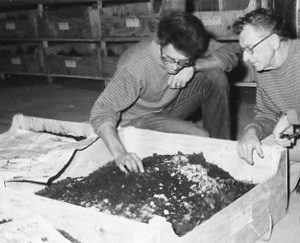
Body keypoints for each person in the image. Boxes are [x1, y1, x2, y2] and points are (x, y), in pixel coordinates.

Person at [90, 11, 239, 174]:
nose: (175, 67)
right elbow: (102, 111)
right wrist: (120, 153)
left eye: (182, 61)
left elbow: (231, 54)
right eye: (169, 59)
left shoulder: (188, 40)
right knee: (199, 136)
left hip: (170, 105)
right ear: (160, 43)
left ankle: (222, 152)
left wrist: (194, 66)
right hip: (139, 120)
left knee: (215, 76)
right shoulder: (135, 65)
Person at [233, 8, 300, 191]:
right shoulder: (264, 68)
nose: (245, 57)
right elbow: (267, 113)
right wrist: (252, 131)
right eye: (243, 50)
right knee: (257, 154)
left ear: (274, 41)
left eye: (250, 49)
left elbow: (293, 117)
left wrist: (292, 119)